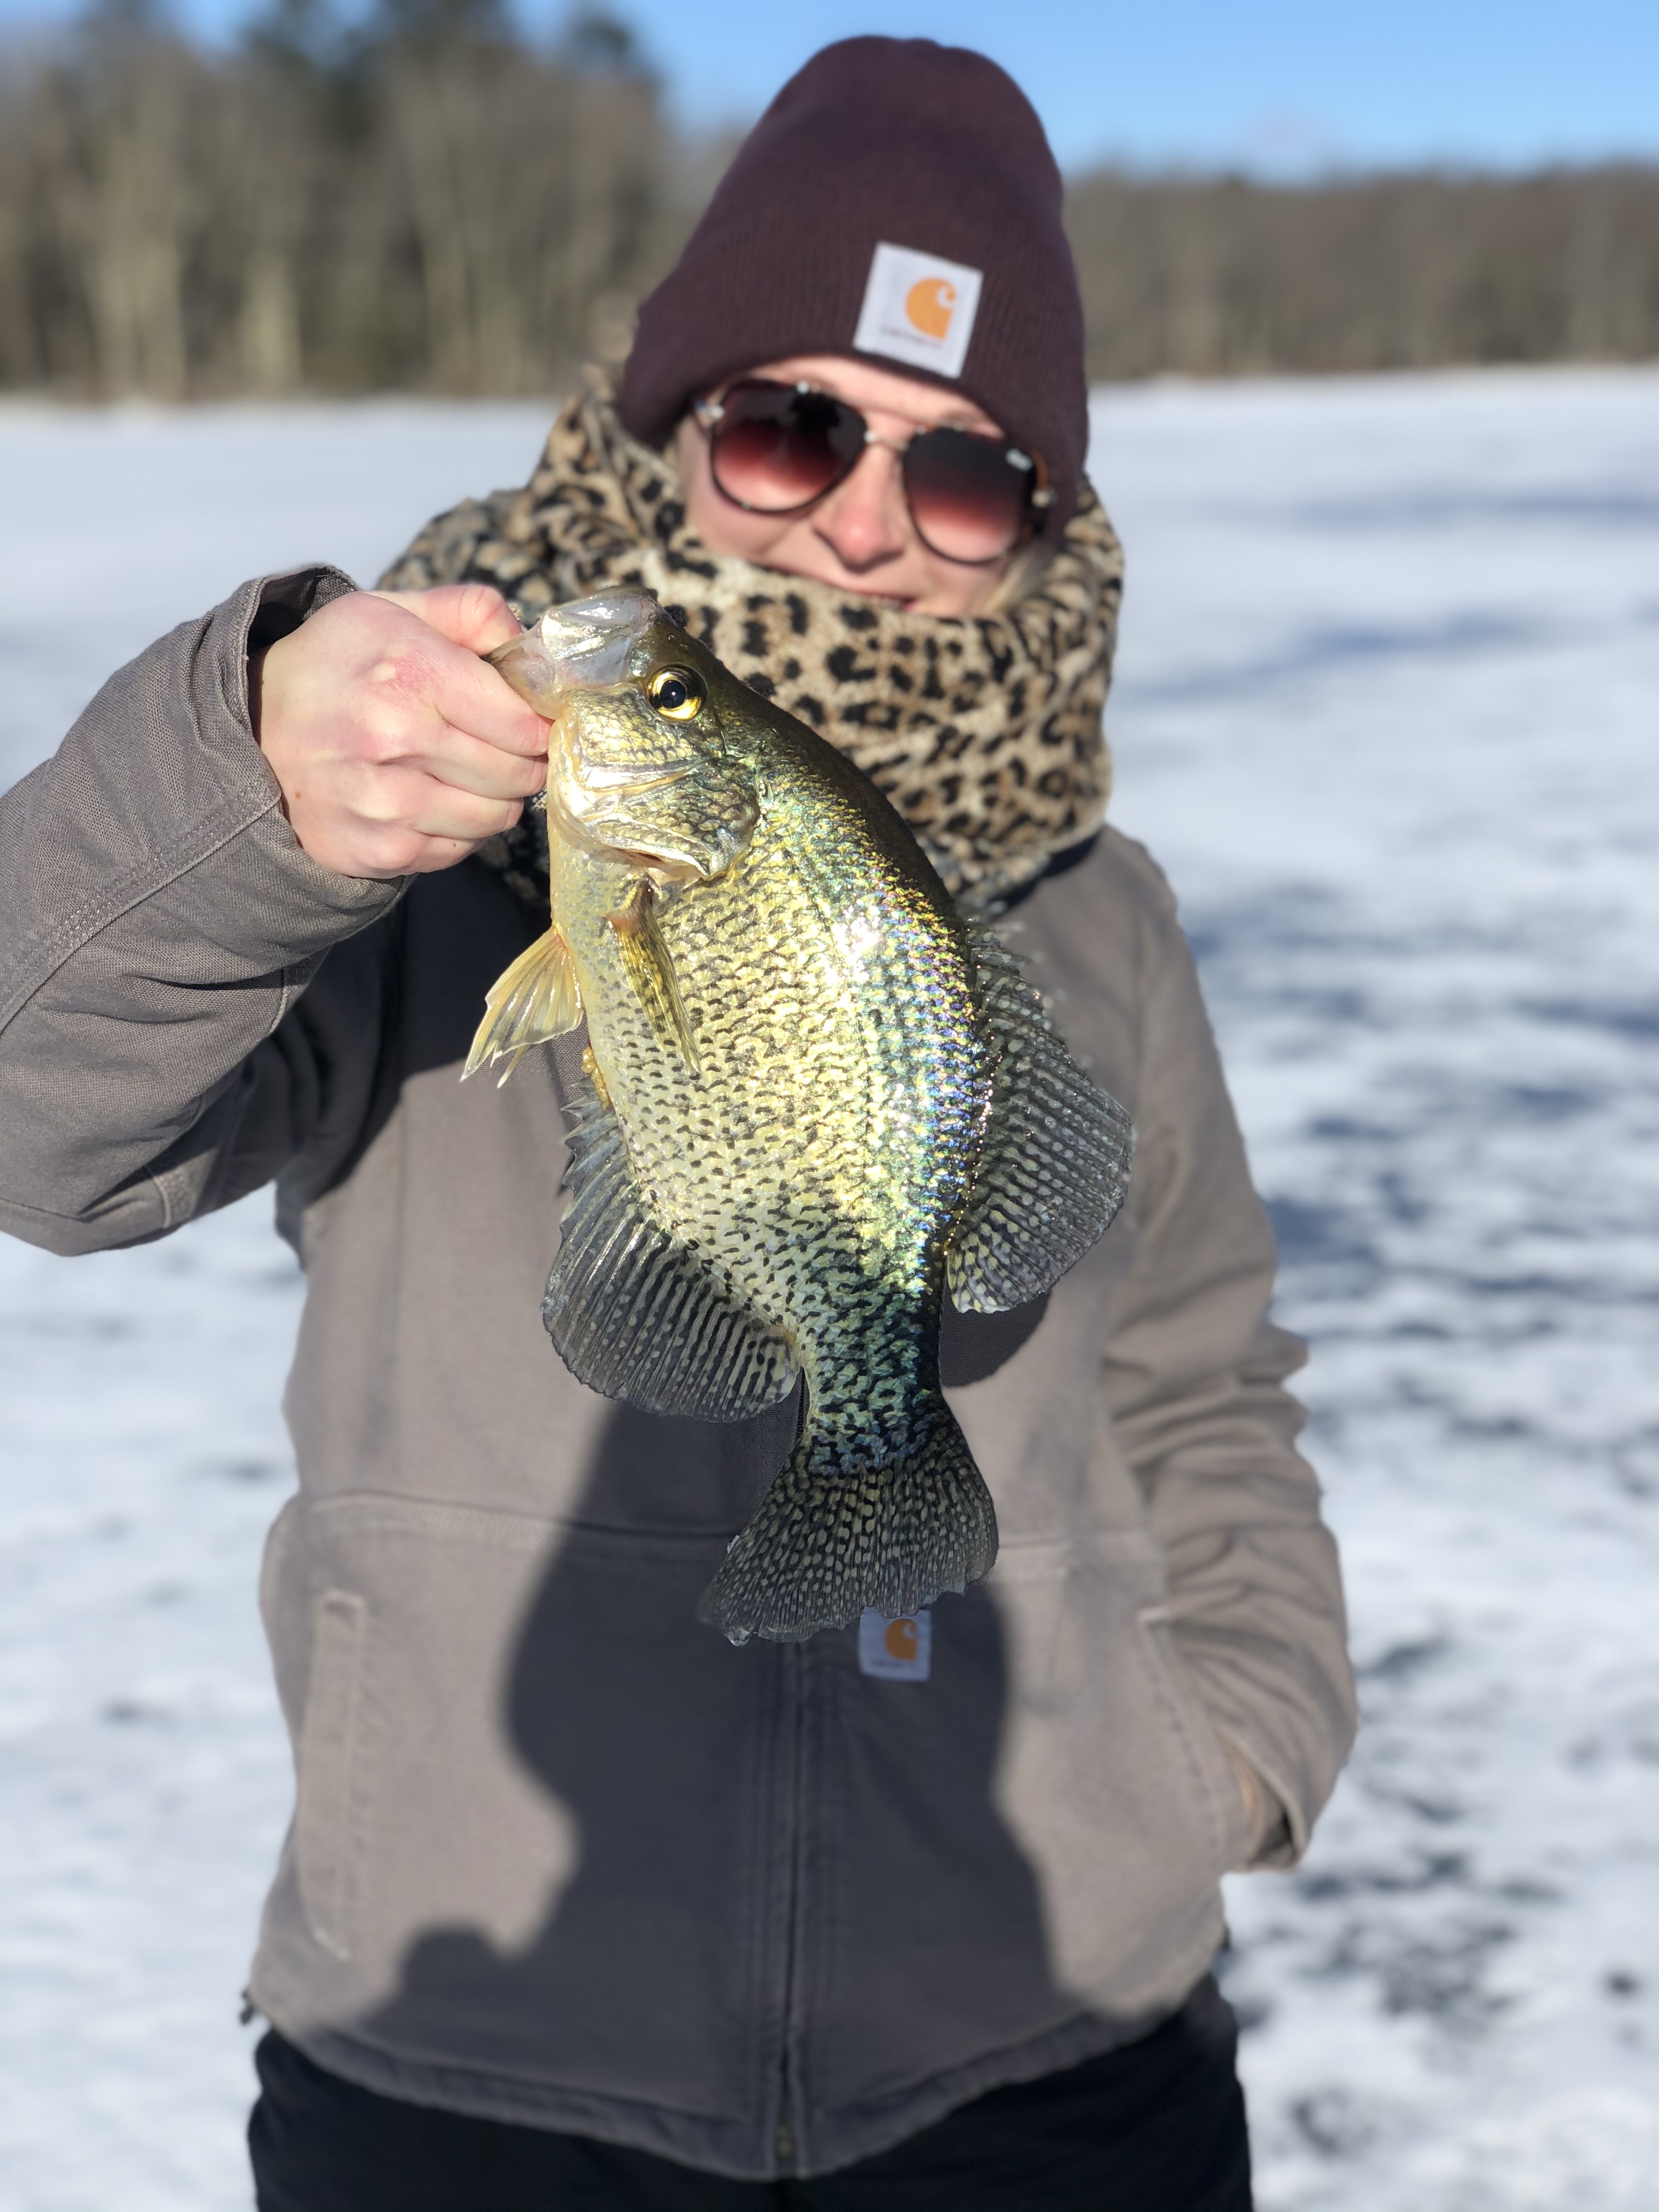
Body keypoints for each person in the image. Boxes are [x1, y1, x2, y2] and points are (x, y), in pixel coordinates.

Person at [0, 37, 1356, 2212]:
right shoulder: (414, 829)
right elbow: (35, 1129)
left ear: (1042, 524)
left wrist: (1226, 1755)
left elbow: (1207, 1377)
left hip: (1058, 2041)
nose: (864, 522)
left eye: (967, 472)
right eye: (792, 426)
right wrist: (244, 791)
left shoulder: (1100, 910)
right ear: (671, 424)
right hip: (468, 2052)